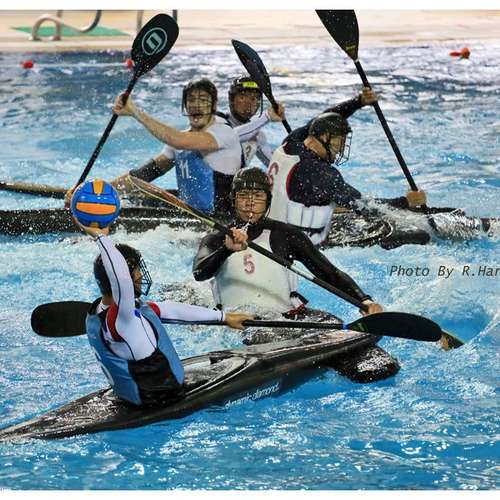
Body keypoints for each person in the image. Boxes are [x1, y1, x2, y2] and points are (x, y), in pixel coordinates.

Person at [75, 220, 252, 407]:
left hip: (130, 397)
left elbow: (170, 310)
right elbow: (121, 278)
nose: (140, 275)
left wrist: (224, 318)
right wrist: (101, 237)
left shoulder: (98, 313)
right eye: (136, 271)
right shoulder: (121, 318)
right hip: (159, 400)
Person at [192, 167, 383, 319]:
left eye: (258, 196)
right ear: (233, 200)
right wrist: (226, 250)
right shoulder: (216, 239)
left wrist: (364, 300)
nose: (250, 202)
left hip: (288, 317)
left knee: (335, 323)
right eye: (243, 195)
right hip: (240, 323)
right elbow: (200, 273)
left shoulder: (286, 235)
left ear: (268, 201)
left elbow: (327, 272)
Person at [109, 78, 284, 216]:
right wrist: (105, 189)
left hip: (219, 218)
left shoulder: (224, 133)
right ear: (185, 106)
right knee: (131, 198)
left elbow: (178, 140)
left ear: (213, 106)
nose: (196, 105)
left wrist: (135, 112)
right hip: (188, 211)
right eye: (191, 100)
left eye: (203, 100)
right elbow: (143, 174)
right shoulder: (183, 139)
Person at [267, 110, 427, 245]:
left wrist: (359, 102)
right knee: (419, 237)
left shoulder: (290, 143)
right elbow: (365, 206)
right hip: (296, 242)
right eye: (340, 141)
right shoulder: (320, 172)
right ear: (324, 137)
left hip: (272, 225)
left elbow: (315, 121)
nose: (341, 149)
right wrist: (406, 202)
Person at [217, 75, 273, 168]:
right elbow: (232, 136)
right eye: (243, 97)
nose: (248, 103)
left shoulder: (257, 136)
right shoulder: (217, 121)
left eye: (254, 98)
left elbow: (275, 166)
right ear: (231, 100)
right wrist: (267, 117)